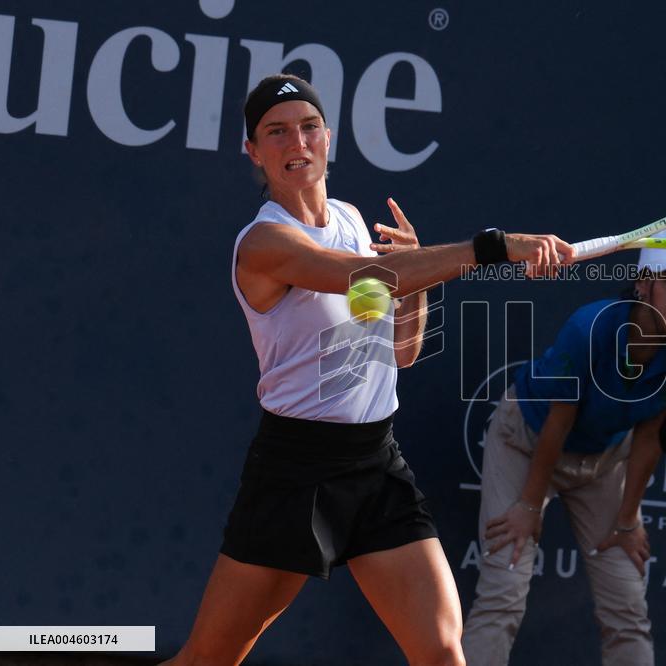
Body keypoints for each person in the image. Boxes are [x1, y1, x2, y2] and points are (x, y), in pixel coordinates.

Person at [161, 73, 573, 666]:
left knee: (441, 651)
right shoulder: (264, 244)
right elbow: (363, 278)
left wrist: (415, 281)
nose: (296, 142)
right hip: (295, 473)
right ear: (253, 151)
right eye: (277, 132)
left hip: (376, 465)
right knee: (208, 660)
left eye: (308, 127)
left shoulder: (352, 221)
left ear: (328, 137)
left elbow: (400, 349)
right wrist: (496, 246)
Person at [461, 232, 666, 665]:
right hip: (526, 443)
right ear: (642, 284)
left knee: (628, 608)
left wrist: (627, 520)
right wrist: (528, 505)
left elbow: (650, 437)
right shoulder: (590, 327)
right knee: (503, 592)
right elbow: (557, 423)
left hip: (601, 463)